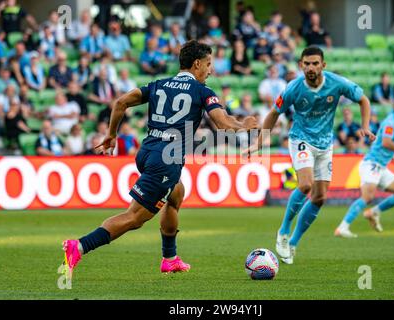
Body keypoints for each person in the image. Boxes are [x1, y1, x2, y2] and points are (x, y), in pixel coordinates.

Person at [61, 40, 258, 280]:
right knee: (135, 217)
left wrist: (111, 134)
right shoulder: (202, 91)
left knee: (176, 194)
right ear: (197, 64)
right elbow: (224, 123)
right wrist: (244, 124)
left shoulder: (159, 84)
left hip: (148, 151)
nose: (211, 69)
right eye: (208, 64)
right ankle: (79, 247)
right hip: (166, 159)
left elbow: (120, 102)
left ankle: (170, 259)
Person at [244, 46, 375, 264]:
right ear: (300, 65)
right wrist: (259, 142)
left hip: (325, 145)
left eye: (315, 63)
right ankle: (284, 231)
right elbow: (273, 113)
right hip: (301, 140)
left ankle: (293, 242)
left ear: (323, 65)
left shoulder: (337, 83)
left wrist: (365, 125)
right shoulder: (293, 88)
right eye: (307, 63)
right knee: (305, 185)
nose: (311, 67)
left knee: (320, 197)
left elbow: (364, 100)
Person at [335, 96, 394, 238]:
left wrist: (392, 156)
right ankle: (342, 227)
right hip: (372, 164)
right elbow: (387, 143)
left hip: (381, 167)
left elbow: (386, 143)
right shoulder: (391, 122)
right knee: (367, 197)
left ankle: (374, 211)